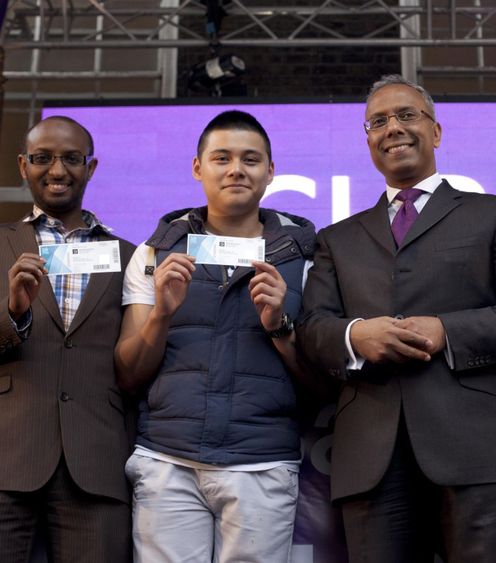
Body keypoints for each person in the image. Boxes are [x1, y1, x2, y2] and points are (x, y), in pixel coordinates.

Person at [296, 74, 496, 563]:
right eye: (378, 121)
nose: (392, 128)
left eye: (406, 115)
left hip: (478, 450)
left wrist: (448, 331)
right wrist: (357, 336)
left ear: (436, 131)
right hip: (369, 460)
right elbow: (313, 330)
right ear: (368, 140)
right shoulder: (338, 238)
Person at [114, 110, 316, 563]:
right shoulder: (154, 251)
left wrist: (280, 324)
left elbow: (323, 383)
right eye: (221, 157)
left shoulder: (306, 256)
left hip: (262, 462)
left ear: (271, 171)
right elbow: (127, 374)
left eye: (250, 159)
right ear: (197, 167)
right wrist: (162, 314)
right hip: (168, 460)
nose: (236, 170)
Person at [0, 116, 135, 562]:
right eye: (43, 158)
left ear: (91, 168)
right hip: (7, 456)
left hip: (95, 462)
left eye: (71, 159)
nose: (57, 170)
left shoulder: (130, 256)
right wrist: (14, 312)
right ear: (23, 165)